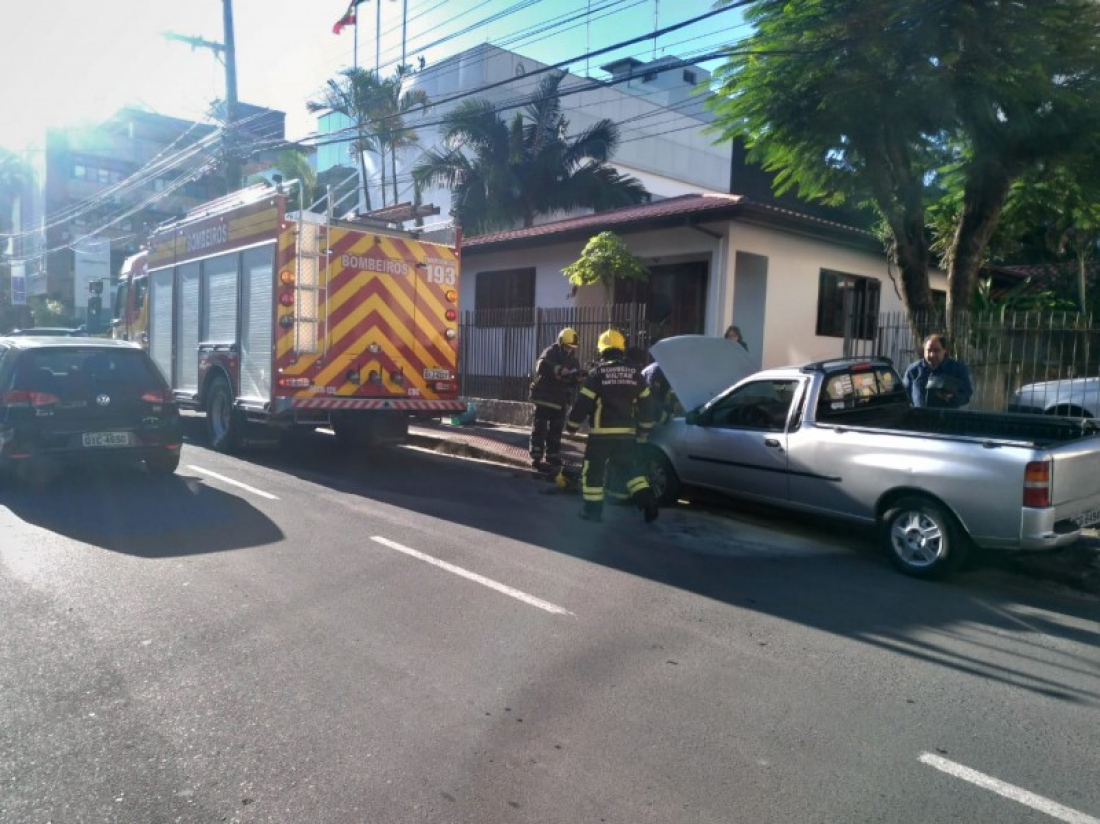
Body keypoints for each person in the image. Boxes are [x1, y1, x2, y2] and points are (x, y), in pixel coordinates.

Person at [566, 329, 659, 524]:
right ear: (621, 349)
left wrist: (571, 425)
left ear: (602, 351)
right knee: (629, 471)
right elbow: (647, 404)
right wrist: (644, 430)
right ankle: (649, 502)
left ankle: (592, 512)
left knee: (593, 473)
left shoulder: (597, 374)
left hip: (601, 436)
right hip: (626, 434)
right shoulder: (635, 374)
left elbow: (583, 403)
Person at [529, 327, 583, 467]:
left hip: (560, 400)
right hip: (545, 397)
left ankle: (552, 456)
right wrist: (558, 370)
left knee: (556, 429)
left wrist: (576, 378)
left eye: (572, 348)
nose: (569, 350)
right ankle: (536, 454)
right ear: (560, 343)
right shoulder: (551, 352)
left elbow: (573, 380)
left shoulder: (573, 360)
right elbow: (541, 366)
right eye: (567, 347)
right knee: (540, 427)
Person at [902, 333, 973, 409]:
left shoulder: (957, 369)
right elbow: (904, 395)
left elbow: (966, 394)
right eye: (929, 350)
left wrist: (953, 398)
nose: (932, 355)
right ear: (924, 350)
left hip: (946, 419)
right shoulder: (913, 370)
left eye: (936, 351)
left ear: (944, 350)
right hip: (920, 418)